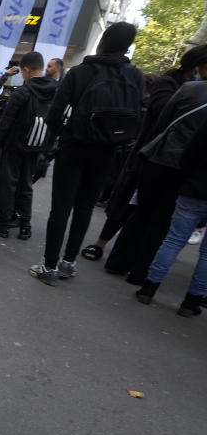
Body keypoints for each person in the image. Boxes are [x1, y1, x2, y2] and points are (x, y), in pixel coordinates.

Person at [29, 22, 144, 285]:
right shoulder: (134, 76)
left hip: (75, 145)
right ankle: (69, 263)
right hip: (107, 149)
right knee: (85, 207)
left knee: (61, 207)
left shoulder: (81, 72)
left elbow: (55, 113)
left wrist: (64, 134)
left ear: (103, 41)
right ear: (128, 45)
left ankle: (49, 267)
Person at [99, 44, 207, 273]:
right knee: (158, 220)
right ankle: (141, 274)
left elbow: (162, 122)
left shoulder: (187, 89)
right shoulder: (178, 85)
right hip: (179, 165)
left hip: (159, 158)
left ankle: (122, 264)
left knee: (142, 213)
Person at [135, 119, 207, 316]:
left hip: (194, 189)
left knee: (173, 240)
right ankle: (191, 301)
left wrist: (188, 178)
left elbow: (189, 154)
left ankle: (149, 288)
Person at [0, 51, 58, 240]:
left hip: (14, 145)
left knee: (8, 183)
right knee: (26, 184)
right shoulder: (55, 92)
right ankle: (25, 225)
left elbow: (6, 122)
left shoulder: (23, 92)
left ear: (26, 70)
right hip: (38, 145)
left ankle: (3, 224)